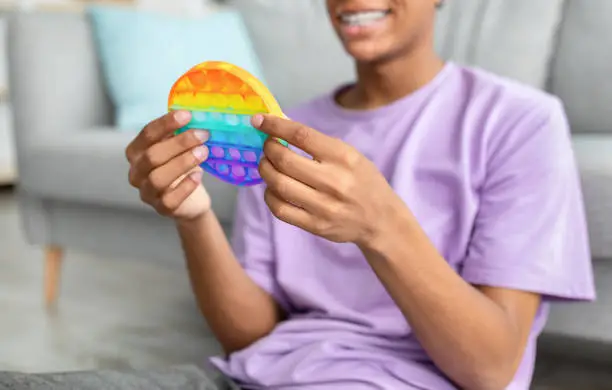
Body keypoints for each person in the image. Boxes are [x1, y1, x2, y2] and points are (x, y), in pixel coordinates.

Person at [125, 0, 596, 389]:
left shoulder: (520, 122)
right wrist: (194, 216)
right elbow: (248, 338)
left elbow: (492, 370)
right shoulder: (280, 130)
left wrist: (381, 226)